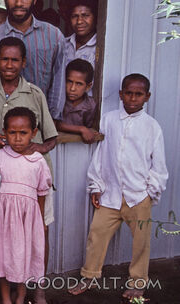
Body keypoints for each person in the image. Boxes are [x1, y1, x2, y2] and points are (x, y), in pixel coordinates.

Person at [69, 74, 168, 301]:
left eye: (139, 94)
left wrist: (150, 192)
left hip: (138, 196)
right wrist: (96, 186)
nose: (133, 98)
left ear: (147, 97)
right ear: (121, 94)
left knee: (141, 242)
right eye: (128, 93)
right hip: (111, 193)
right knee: (97, 233)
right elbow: (101, 156)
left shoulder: (152, 127)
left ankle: (137, 283)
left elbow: (159, 164)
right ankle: (90, 275)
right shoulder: (109, 119)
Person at [0, 38, 58, 303]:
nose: (9, 65)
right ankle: (6, 286)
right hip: (3, 177)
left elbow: (51, 138)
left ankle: (38, 286)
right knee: (4, 234)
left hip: (32, 178)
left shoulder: (34, 93)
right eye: (4, 59)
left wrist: (37, 148)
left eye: (14, 60)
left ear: (23, 63)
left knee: (39, 232)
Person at [0, 107, 52, 304]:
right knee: (3, 256)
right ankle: (6, 297)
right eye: (12, 133)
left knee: (23, 256)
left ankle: (21, 295)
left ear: (34, 133)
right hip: (3, 219)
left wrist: (39, 221)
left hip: (27, 220)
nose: (17, 138)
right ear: (4, 132)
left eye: (23, 133)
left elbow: (42, 193)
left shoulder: (38, 161)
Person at [55, 59, 98, 143]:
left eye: (79, 84)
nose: (72, 88)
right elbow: (55, 124)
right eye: (69, 82)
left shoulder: (90, 105)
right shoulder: (58, 100)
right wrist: (81, 129)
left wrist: (87, 131)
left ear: (88, 86)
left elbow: (89, 129)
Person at [63, 0, 98, 69]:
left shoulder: (100, 47)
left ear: (96, 17)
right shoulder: (63, 45)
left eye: (85, 15)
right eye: (75, 16)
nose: (79, 21)